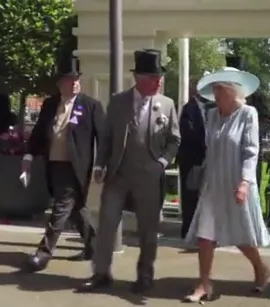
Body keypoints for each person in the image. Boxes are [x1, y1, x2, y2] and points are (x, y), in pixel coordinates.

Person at [79, 49, 180, 294]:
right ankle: (101, 273)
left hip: (149, 176)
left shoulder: (166, 104)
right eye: (154, 78)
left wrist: (163, 163)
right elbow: (106, 137)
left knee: (148, 230)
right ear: (139, 78)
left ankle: (145, 276)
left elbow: (174, 140)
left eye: (160, 78)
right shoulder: (118, 101)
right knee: (107, 225)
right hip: (118, 175)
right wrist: (100, 164)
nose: (159, 82)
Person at [183, 66, 270, 303]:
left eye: (220, 88)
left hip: (237, 183)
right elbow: (209, 149)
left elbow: (251, 151)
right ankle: (204, 284)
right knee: (205, 235)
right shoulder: (211, 115)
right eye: (214, 88)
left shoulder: (248, 113)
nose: (216, 93)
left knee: (241, 235)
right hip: (213, 183)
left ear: (232, 91)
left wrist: (244, 182)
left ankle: (261, 268)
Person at [22, 56, 105, 271]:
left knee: (61, 207)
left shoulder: (91, 106)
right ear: (60, 83)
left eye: (77, 79)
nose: (75, 83)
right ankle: (95, 247)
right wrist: (28, 156)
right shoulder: (50, 104)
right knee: (76, 208)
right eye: (70, 79)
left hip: (76, 166)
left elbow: (103, 137)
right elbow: (40, 132)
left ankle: (44, 252)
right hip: (55, 164)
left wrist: (100, 164)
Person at [224, 55, 270, 188]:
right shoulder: (221, 96)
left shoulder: (257, 95)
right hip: (226, 152)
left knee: (249, 188)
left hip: (250, 151)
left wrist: (249, 132)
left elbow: (268, 122)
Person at [177, 78, 214, 239]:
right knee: (190, 196)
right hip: (192, 162)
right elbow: (189, 134)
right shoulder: (189, 109)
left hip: (206, 161)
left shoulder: (210, 109)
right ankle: (188, 231)